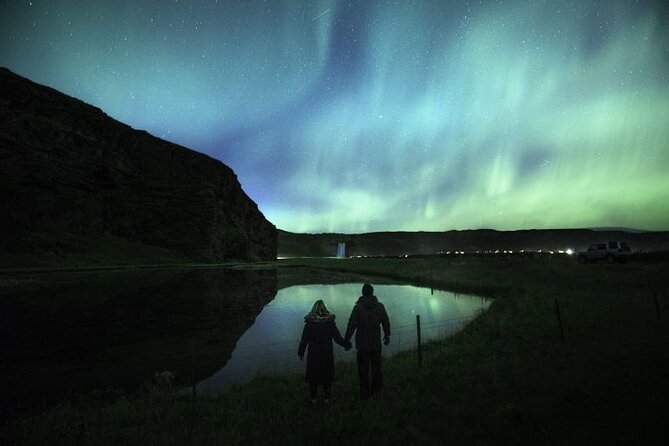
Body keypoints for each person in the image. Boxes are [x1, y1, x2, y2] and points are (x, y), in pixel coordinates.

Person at [298, 299, 351, 404]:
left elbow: (304, 340)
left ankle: (313, 400)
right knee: (327, 376)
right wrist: (346, 344)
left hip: (313, 354)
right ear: (325, 309)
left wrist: (301, 352)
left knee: (313, 377)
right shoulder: (329, 323)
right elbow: (337, 338)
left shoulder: (309, 324)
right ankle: (327, 399)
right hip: (326, 354)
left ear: (313, 309)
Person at [344, 283, 391, 399]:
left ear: (363, 293)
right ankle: (377, 390)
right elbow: (386, 321)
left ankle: (364, 393)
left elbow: (352, 324)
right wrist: (387, 335)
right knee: (376, 368)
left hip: (362, 344)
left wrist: (347, 339)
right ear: (372, 292)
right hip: (376, 343)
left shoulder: (358, 307)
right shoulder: (380, 306)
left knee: (363, 370)